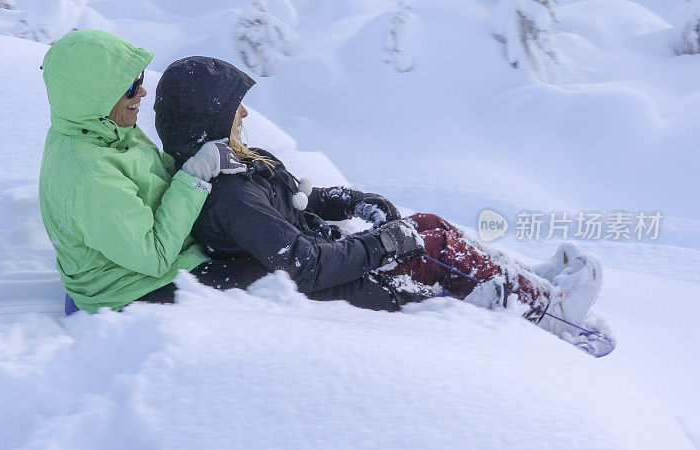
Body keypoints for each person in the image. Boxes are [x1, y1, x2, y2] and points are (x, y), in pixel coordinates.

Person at [149, 56, 603, 339]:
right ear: (207, 118)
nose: (244, 112)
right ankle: (551, 315)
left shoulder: (231, 160)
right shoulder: (229, 198)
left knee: (428, 226)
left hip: (332, 253)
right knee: (432, 246)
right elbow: (306, 267)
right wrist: (385, 243)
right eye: (233, 107)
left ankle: (528, 280)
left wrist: (352, 201)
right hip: (337, 287)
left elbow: (298, 194)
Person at [39, 30, 247, 314]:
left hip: (130, 266)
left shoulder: (98, 127)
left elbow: (151, 174)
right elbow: (156, 257)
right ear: (94, 96)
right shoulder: (88, 174)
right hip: (129, 292)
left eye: (140, 79)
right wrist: (195, 177)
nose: (142, 92)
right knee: (267, 267)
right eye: (129, 87)